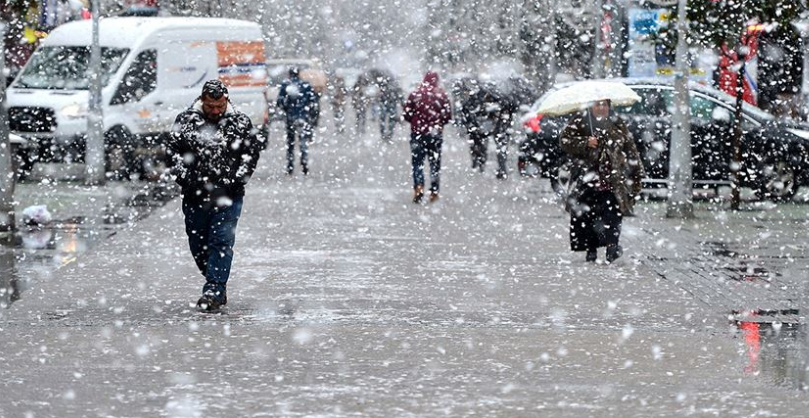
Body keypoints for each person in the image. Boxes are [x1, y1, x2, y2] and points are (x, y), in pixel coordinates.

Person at [166, 80, 263, 311]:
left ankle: (214, 288)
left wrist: (236, 180)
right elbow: (172, 153)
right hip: (195, 195)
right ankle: (213, 276)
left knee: (221, 240)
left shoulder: (240, 122)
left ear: (226, 101)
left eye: (219, 106)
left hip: (228, 195)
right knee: (198, 243)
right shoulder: (186, 121)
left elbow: (250, 156)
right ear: (202, 101)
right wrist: (185, 178)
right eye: (210, 106)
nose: (215, 111)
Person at [559, 100, 644, 263]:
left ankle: (612, 246)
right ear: (591, 106)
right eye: (598, 104)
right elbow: (565, 141)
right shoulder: (580, 121)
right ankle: (591, 249)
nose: (601, 108)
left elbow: (630, 149)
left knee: (612, 213)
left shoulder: (617, 123)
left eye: (604, 105)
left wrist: (636, 173)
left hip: (612, 179)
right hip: (586, 178)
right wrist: (585, 143)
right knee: (588, 214)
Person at [403, 71, 452, 203]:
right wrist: (437, 123)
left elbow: (407, 114)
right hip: (435, 135)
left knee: (417, 162)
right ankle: (434, 191)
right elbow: (447, 116)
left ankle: (418, 186)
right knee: (434, 163)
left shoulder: (415, 94)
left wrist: (416, 122)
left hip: (418, 133)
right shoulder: (442, 95)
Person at [277, 68, 318, 175]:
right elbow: (313, 101)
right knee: (303, 141)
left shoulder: (286, 85)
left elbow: (280, 101)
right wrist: (310, 115)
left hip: (291, 117)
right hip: (303, 117)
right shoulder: (306, 85)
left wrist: (286, 109)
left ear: (289, 74)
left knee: (290, 143)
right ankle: (304, 163)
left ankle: (290, 166)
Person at [378, 76, 403, 142]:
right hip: (389, 105)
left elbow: (400, 97)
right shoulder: (394, 86)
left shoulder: (385, 85)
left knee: (386, 120)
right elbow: (400, 97)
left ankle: (386, 134)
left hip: (387, 105)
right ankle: (388, 134)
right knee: (390, 120)